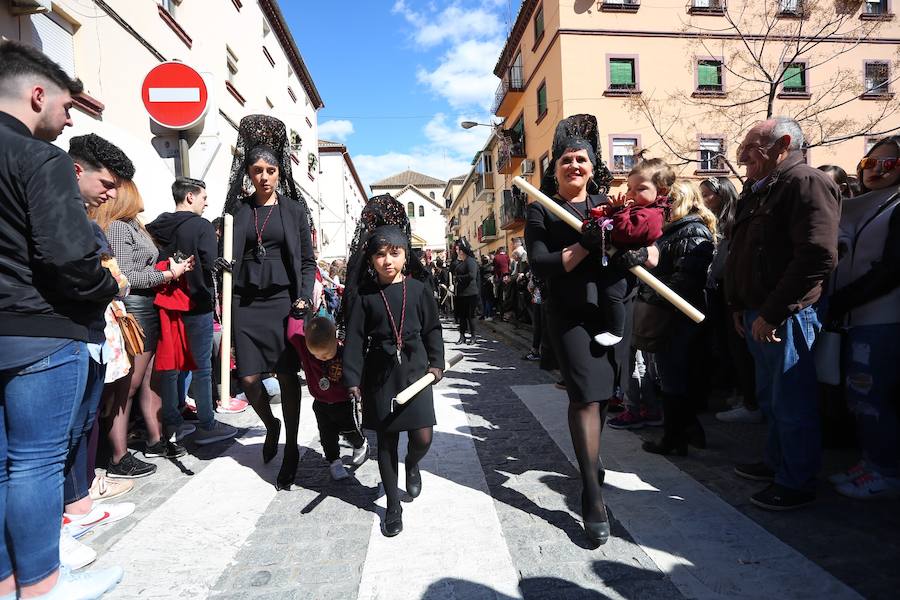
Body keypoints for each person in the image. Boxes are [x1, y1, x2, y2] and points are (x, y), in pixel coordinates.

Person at [0, 39, 123, 599]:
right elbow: (70, 258)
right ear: (36, 94)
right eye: (67, 105)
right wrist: (106, 285)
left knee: (5, 465)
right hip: (43, 331)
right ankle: (44, 585)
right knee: (36, 465)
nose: (71, 115)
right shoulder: (39, 158)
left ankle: (8, 580)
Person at [525, 114, 645, 546]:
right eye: (565, 160)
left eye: (581, 159)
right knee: (585, 395)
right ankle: (592, 494)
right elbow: (540, 261)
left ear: (593, 167)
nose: (574, 165)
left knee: (608, 391)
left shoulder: (613, 205)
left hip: (616, 310)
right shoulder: (540, 208)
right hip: (571, 314)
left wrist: (640, 255)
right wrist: (582, 244)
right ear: (554, 168)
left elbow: (650, 247)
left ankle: (592, 461)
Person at [726, 117, 840, 511]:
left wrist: (773, 312)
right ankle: (777, 463)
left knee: (793, 400)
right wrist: (740, 305)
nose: (741, 155)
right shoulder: (762, 190)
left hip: (788, 314)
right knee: (773, 398)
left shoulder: (804, 182)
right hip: (761, 311)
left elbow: (817, 255)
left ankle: (796, 480)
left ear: (782, 144)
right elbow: (744, 253)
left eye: (749, 145)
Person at [219, 115, 317, 491]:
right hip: (245, 302)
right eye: (257, 170)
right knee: (248, 378)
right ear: (247, 171)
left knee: (289, 377)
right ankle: (270, 424)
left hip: (283, 303)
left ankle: (291, 445)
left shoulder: (293, 210)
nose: (264, 176)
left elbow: (307, 261)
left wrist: (304, 296)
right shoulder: (237, 210)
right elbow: (225, 251)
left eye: (270, 170)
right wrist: (222, 263)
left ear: (279, 172)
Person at [342, 195, 445, 538]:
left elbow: (432, 329)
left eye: (395, 253)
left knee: (422, 437)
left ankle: (413, 465)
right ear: (371, 259)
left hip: (416, 371)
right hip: (379, 375)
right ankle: (392, 505)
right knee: (386, 443)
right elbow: (355, 341)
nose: (388, 260)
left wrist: (437, 364)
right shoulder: (365, 297)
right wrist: (353, 380)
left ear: (405, 256)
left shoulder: (419, 290)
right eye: (380, 254)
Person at [62, 134, 138, 571]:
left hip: (90, 332)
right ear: (78, 171)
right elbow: (102, 276)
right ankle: (54, 531)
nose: (111, 194)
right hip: (66, 333)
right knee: (58, 438)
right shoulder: (61, 213)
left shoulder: (83, 217)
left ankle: (78, 506)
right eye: (106, 183)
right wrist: (113, 283)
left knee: (81, 425)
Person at [826, 136, 900, 499]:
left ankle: (886, 470)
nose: (876, 171)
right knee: (860, 396)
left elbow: (890, 270)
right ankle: (872, 460)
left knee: (871, 395)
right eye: (870, 164)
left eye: (888, 165)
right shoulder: (871, 205)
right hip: (860, 316)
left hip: (883, 318)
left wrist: (841, 301)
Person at [102, 180, 193, 471]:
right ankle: (118, 454)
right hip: (136, 308)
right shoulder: (118, 226)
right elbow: (125, 276)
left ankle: (154, 439)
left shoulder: (133, 225)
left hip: (149, 305)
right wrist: (166, 275)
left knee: (151, 379)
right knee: (128, 385)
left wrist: (167, 270)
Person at [148, 178, 239, 446]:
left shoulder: (156, 226)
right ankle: (207, 424)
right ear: (189, 197)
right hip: (196, 302)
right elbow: (211, 263)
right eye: (203, 197)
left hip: (165, 301)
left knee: (170, 365)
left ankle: (173, 422)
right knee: (201, 367)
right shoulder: (201, 226)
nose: (206, 202)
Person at [637, 180, 716, 455]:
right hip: (670, 313)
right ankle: (686, 431)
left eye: (669, 200)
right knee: (671, 376)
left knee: (674, 378)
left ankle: (675, 438)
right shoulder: (676, 231)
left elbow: (687, 280)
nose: (664, 206)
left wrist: (653, 294)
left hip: (678, 316)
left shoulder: (692, 230)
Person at [584, 158, 674, 346]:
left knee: (612, 294)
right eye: (629, 188)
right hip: (619, 262)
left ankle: (617, 331)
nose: (631, 194)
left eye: (640, 189)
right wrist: (604, 213)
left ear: (661, 191)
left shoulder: (651, 215)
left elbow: (626, 232)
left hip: (627, 268)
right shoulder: (640, 208)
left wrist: (618, 211)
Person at [700, 177, 761, 424]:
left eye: (708, 194)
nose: (704, 200)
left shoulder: (733, 222)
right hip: (718, 289)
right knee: (726, 345)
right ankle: (740, 393)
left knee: (738, 346)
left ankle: (749, 399)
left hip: (731, 289)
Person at [289, 316, 369, 481]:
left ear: (335, 338)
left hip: (344, 402)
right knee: (327, 435)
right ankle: (334, 461)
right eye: (317, 354)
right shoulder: (308, 353)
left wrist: (359, 388)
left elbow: (357, 368)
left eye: (326, 353)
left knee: (351, 431)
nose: (322, 357)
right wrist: (296, 314)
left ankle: (361, 444)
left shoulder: (344, 350)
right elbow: (293, 335)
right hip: (321, 404)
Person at [453, 238, 479, 344]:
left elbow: (472, 275)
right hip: (461, 294)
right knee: (462, 317)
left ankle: (473, 336)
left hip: (470, 293)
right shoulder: (461, 262)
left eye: (458, 250)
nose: (457, 252)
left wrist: (458, 278)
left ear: (462, 251)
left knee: (471, 316)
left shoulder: (470, 261)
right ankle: (462, 336)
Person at [479, 254, 495, 320]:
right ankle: (489, 315)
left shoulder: (481, 267)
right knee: (488, 300)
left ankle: (485, 314)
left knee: (484, 300)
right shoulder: (491, 266)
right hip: (488, 284)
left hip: (483, 284)